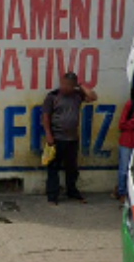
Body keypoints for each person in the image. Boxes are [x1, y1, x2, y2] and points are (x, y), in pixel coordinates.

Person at [38, 71, 98, 204]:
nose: (63, 87)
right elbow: (45, 116)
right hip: (56, 138)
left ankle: (72, 191)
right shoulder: (53, 96)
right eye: (63, 84)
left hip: (72, 139)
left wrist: (81, 85)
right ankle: (52, 196)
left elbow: (93, 97)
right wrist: (48, 134)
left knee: (72, 168)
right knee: (53, 168)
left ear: (74, 86)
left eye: (68, 85)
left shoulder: (77, 95)